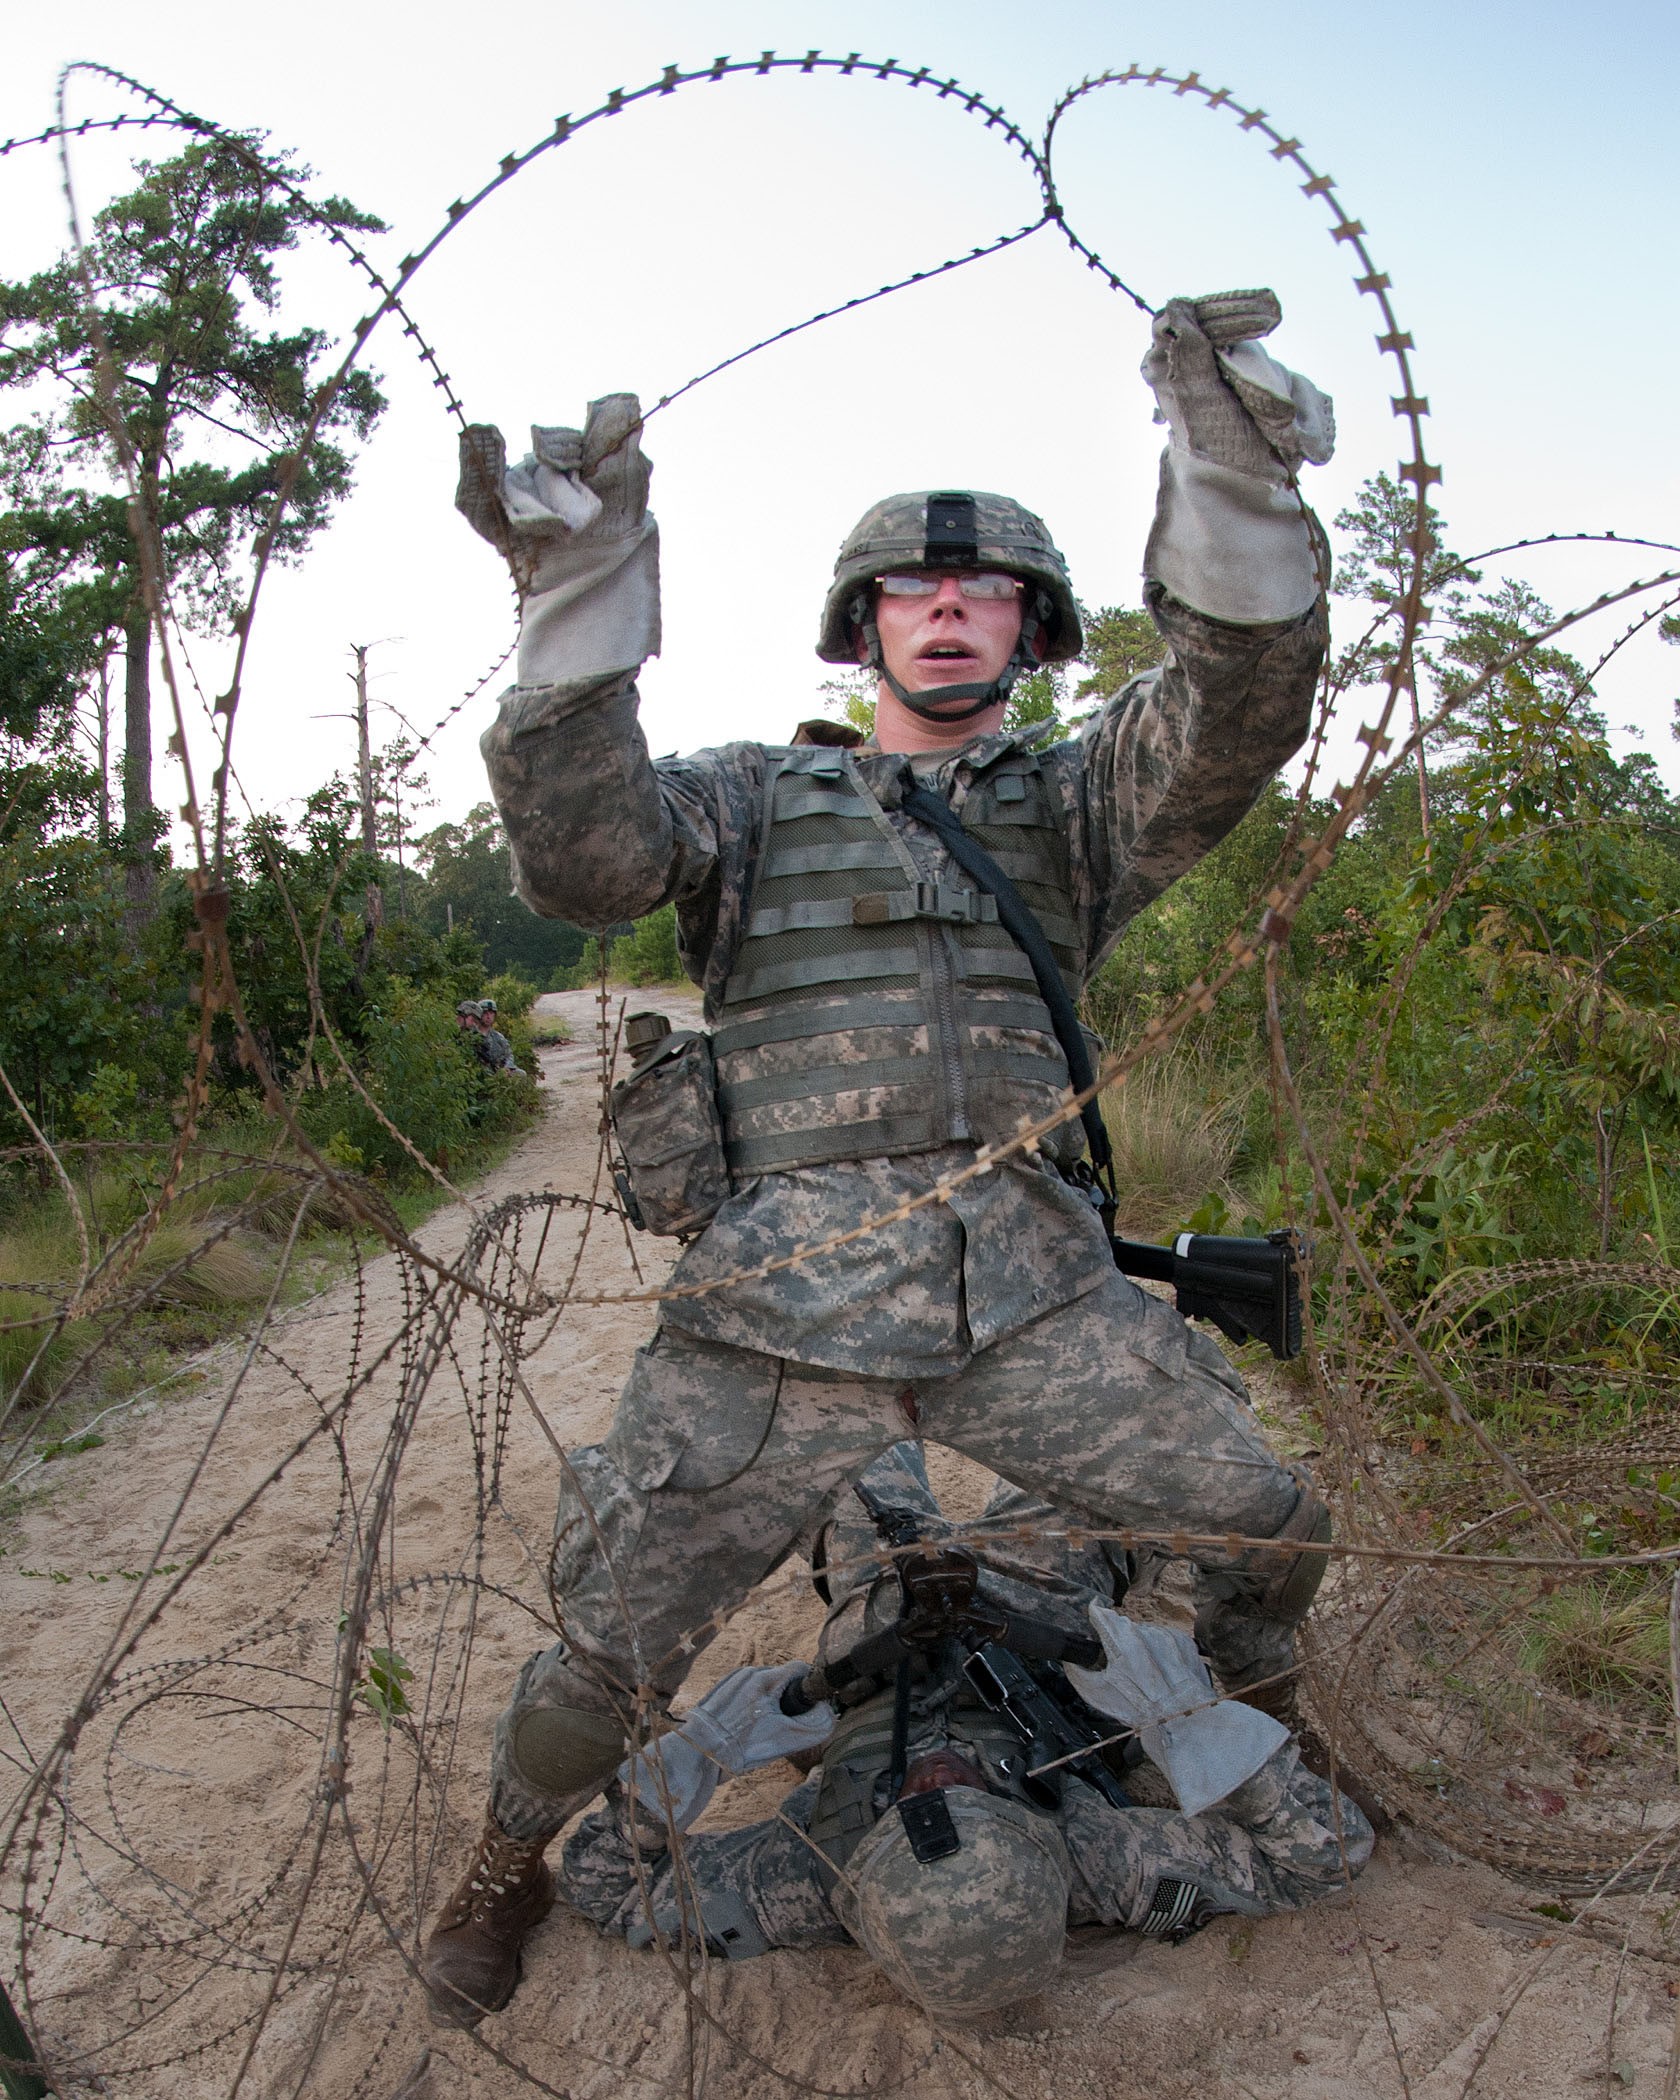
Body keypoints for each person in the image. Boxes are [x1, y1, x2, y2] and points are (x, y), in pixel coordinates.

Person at [424, 287, 1338, 2024]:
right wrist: (573, 609)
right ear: (863, 626)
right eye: (915, 590)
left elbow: (1234, 723)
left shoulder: (1078, 811)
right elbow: (586, 865)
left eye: (983, 587)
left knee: (1266, 1522)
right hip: (779, 1321)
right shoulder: (750, 800)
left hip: (1029, 1300)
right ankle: (496, 1870)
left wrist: (1231, 481)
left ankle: (1264, 1738)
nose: (947, 611)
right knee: (607, 1647)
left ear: (1033, 626)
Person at [559, 1445, 1372, 2024]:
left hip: (872, 1649)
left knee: (849, 1449)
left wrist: (693, 1759)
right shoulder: (1105, 1866)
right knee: (1103, 1462)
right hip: (1044, 1627)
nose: (940, 1773)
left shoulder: (799, 1883)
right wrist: (1191, 1721)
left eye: (909, 1804)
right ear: (1038, 1844)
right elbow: (1325, 1857)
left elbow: (605, 1886)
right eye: (976, 1797)